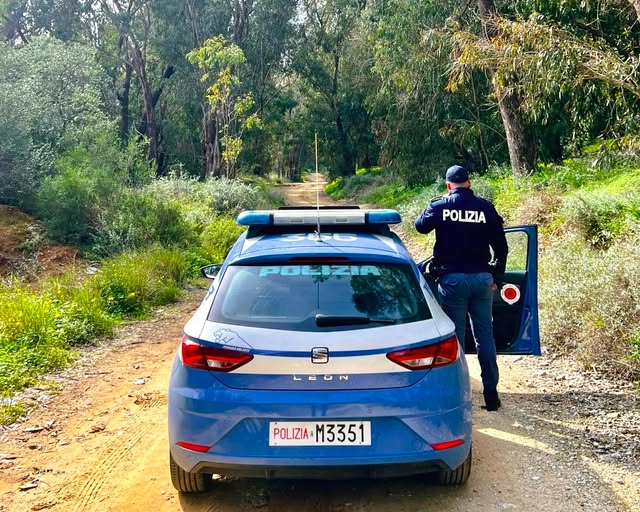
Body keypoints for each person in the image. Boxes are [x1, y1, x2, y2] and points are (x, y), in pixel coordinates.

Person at [415, 165, 508, 411]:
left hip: (453, 281)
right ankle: (491, 395)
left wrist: (434, 206)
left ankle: (457, 395)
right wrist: (497, 276)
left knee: (454, 339)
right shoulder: (486, 208)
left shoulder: (440, 206)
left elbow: (420, 226)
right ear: (469, 183)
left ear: (448, 185)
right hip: (482, 279)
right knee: (484, 336)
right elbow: (502, 248)